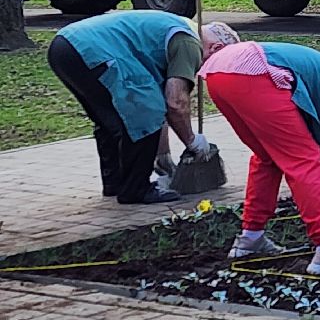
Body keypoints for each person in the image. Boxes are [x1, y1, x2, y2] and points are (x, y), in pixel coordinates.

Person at [199, 27, 320, 275]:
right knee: (303, 161)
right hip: (254, 70)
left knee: (268, 158)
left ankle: (251, 238)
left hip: (217, 74)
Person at [47, 10, 212, 204]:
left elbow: (162, 107)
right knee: (143, 110)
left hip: (65, 46)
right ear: (216, 47)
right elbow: (175, 103)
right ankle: (136, 189)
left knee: (113, 120)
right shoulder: (189, 43)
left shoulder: (174, 28)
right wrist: (192, 142)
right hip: (93, 49)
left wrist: (163, 156)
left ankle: (115, 184)